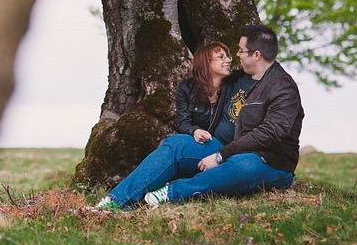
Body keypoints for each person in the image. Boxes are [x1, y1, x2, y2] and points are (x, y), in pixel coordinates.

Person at [95, 24, 304, 209]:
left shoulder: (283, 88)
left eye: (241, 51)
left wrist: (222, 155)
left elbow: (270, 133)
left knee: (241, 166)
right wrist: (195, 130)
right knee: (177, 144)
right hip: (221, 146)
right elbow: (204, 82)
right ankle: (117, 200)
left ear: (256, 55)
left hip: (267, 161)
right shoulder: (236, 79)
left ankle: (172, 192)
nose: (236, 56)